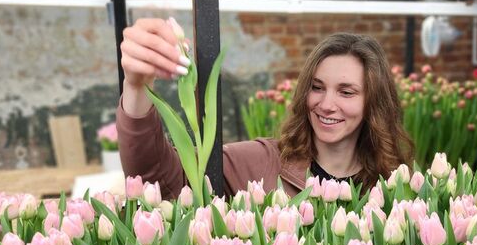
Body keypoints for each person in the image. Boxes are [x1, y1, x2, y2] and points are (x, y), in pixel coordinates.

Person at [116, 17, 413, 199]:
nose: (326, 104)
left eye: (346, 92)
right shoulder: (259, 164)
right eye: (317, 87)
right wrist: (137, 86)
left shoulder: (391, 185)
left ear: (372, 102)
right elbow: (158, 179)